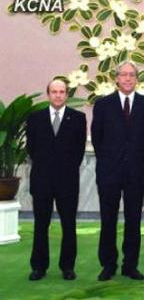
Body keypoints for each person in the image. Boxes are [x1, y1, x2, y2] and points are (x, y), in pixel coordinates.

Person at [91, 61, 144, 281]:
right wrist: (112, 160)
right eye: (124, 75)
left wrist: (134, 159)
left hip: (136, 173)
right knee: (108, 219)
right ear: (116, 78)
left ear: (137, 78)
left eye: (132, 75)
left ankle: (130, 265)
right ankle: (108, 264)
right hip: (109, 172)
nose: (128, 78)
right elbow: (98, 139)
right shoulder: (102, 105)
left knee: (134, 219)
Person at [26, 79, 86, 281]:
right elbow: (31, 149)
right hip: (42, 181)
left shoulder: (78, 118)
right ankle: (39, 267)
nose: (58, 95)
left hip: (67, 182)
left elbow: (78, 152)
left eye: (62, 91)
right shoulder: (35, 118)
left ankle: (67, 266)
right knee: (40, 225)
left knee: (68, 225)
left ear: (67, 94)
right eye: (54, 91)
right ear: (48, 94)